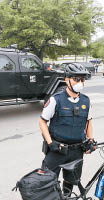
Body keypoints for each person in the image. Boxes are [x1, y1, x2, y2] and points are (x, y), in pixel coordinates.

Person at [39, 63, 96, 197]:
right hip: (57, 149)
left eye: (82, 80)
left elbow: (88, 122)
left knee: (70, 182)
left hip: (76, 151)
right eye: (76, 79)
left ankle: (66, 196)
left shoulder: (86, 101)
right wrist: (50, 142)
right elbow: (42, 121)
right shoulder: (55, 99)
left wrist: (91, 140)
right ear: (67, 79)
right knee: (47, 182)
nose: (80, 83)